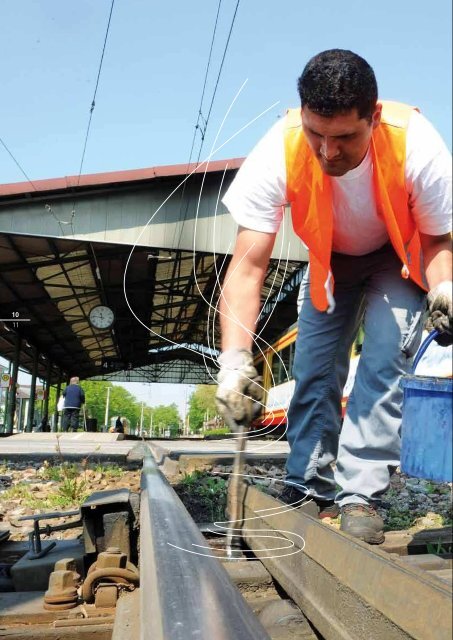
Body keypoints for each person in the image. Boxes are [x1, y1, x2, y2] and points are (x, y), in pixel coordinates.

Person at [215, 49, 452, 544]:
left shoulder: (417, 145)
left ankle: (361, 495)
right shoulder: (278, 149)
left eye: (344, 137)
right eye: (315, 134)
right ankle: (308, 485)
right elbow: (248, 265)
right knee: (315, 369)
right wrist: (234, 360)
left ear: (374, 117)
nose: (327, 152)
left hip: (398, 256)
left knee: (385, 359)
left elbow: (436, 237)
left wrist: (445, 286)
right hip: (331, 263)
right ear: (302, 115)